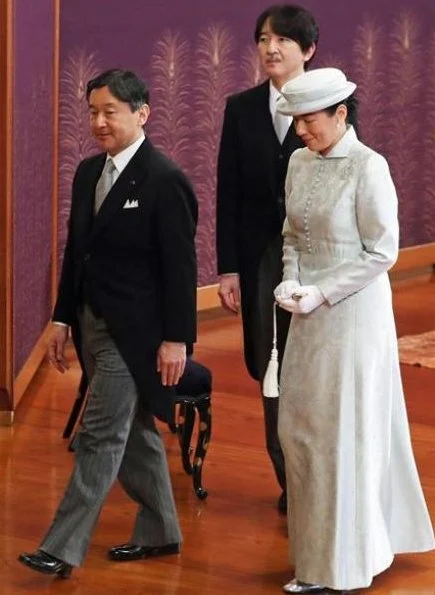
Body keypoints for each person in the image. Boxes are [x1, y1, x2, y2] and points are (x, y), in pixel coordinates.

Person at [18, 69, 198, 578]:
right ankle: (161, 528)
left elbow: (181, 271)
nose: (98, 122)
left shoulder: (165, 180)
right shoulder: (86, 173)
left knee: (98, 435)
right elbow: (78, 254)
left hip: (137, 335)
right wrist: (60, 320)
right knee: (134, 429)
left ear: (142, 114)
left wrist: (177, 339)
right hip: (91, 325)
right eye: (92, 111)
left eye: (109, 112)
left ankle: (61, 547)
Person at [273, 67, 435, 592]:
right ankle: (314, 557)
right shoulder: (298, 162)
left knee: (340, 434)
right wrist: (291, 281)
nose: (301, 131)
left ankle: (341, 566)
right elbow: (292, 234)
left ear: (341, 114)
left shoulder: (370, 167)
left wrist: (323, 291)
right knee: (300, 431)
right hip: (308, 314)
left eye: (310, 120)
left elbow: (382, 251)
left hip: (353, 317)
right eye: (296, 120)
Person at [216, 4, 319, 513]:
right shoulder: (240, 108)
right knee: (268, 363)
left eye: (281, 39)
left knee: (311, 363)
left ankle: (314, 476)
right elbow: (227, 192)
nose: (270, 48)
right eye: (262, 39)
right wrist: (229, 266)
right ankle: (288, 479)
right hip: (260, 258)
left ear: (309, 50)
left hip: (316, 257)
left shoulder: (335, 103)